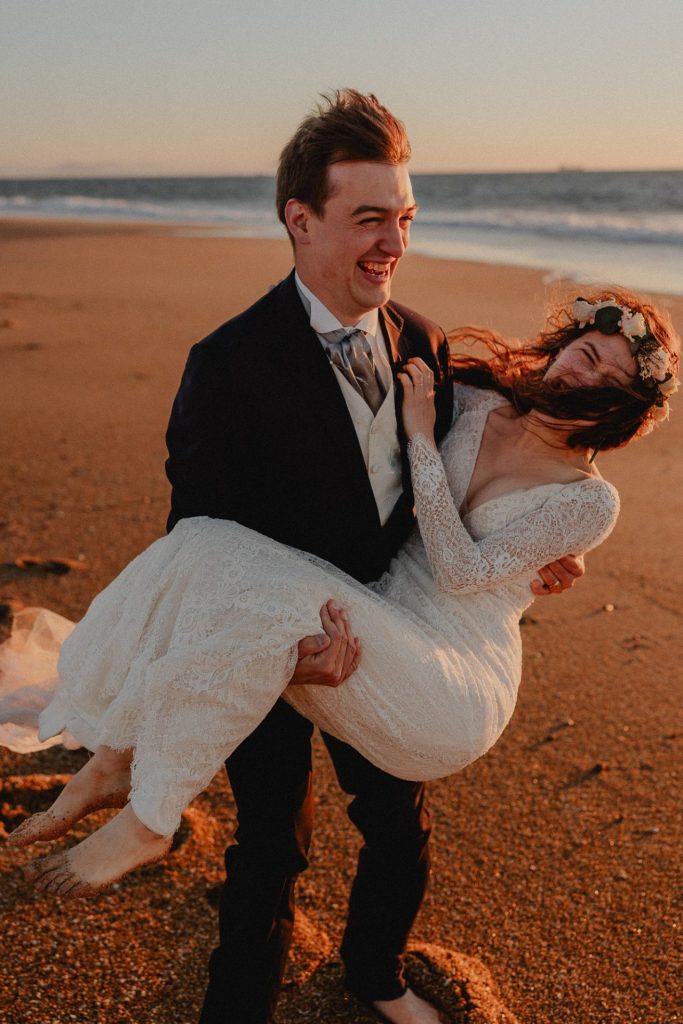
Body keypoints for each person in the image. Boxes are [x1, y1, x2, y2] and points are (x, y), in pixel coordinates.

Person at [1, 91, 601, 1024]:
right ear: (299, 218)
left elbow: (490, 479)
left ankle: (374, 977)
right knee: (272, 848)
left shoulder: (426, 344)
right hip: (272, 643)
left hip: (393, 632)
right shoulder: (227, 363)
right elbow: (199, 533)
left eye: (403, 218)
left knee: (398, 832)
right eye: (368, 219)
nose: (392, 243)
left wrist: (537, 558)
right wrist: (285, 647)